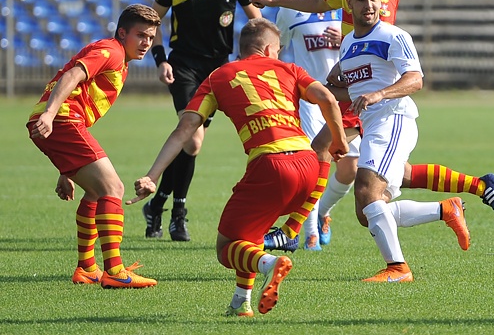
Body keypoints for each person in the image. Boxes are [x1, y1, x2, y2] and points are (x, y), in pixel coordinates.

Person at [253, 0, 494, 253]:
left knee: (324, 155)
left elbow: (379, 42)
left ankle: (297, 230)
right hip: (360, 90)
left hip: (373, 95)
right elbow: (319, 4)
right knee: (393, 180)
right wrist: (273, 2)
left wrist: (357, 77)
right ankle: (471, 190)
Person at [129, 18, 349, 317]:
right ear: (271, 48)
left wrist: (152, 176)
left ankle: (271, 263)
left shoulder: (218, 76)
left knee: (226, 248)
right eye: (279, 49)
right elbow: (327, 99)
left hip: (271, 165)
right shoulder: (289, 69)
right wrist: (338, 141)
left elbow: (186, 129)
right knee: (251, 233)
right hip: (309, 163)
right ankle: (240, 302)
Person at [332, 0, 469, 282]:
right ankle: (445, 209)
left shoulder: (394, 36)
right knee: (366, 212)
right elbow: (351, 90)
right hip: (372, 126)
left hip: (394, 119)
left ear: (382, 2)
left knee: (367, 192)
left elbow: (415, 79)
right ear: (349, 3)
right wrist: (321, 89)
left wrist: (381, 93)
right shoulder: (348, 43)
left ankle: (398, 268)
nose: (369, 5)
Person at [27, 4, 161, 289]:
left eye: (150, 37)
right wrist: (50, 115)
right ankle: (115, 270)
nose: (146, 43)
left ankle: (87, 268)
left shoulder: (120, 60)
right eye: (141, 35)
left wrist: (66, 170)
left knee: (94, 191)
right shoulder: (111, 51)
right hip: (61, 121)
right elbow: (72, 76)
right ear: (123, 33)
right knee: (113, 189)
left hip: (63, 124)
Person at [145, 0, 261, 242]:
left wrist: (250, 59)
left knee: (189, 143)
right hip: (182, 67)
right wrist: (160, 59)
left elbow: (258, 23)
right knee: (192, 139)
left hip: (216, 70)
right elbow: (152, 21)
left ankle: (157, 205)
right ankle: (177, 214)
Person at [272, 0, 359, 251]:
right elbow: (277, 51)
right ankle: (308, 235)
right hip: (309, 100)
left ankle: (323, 212)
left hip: (345, 99)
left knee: (349, 168)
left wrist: (347, 40)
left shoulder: (348, 7)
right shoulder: (289, 10)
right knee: (313, 163)